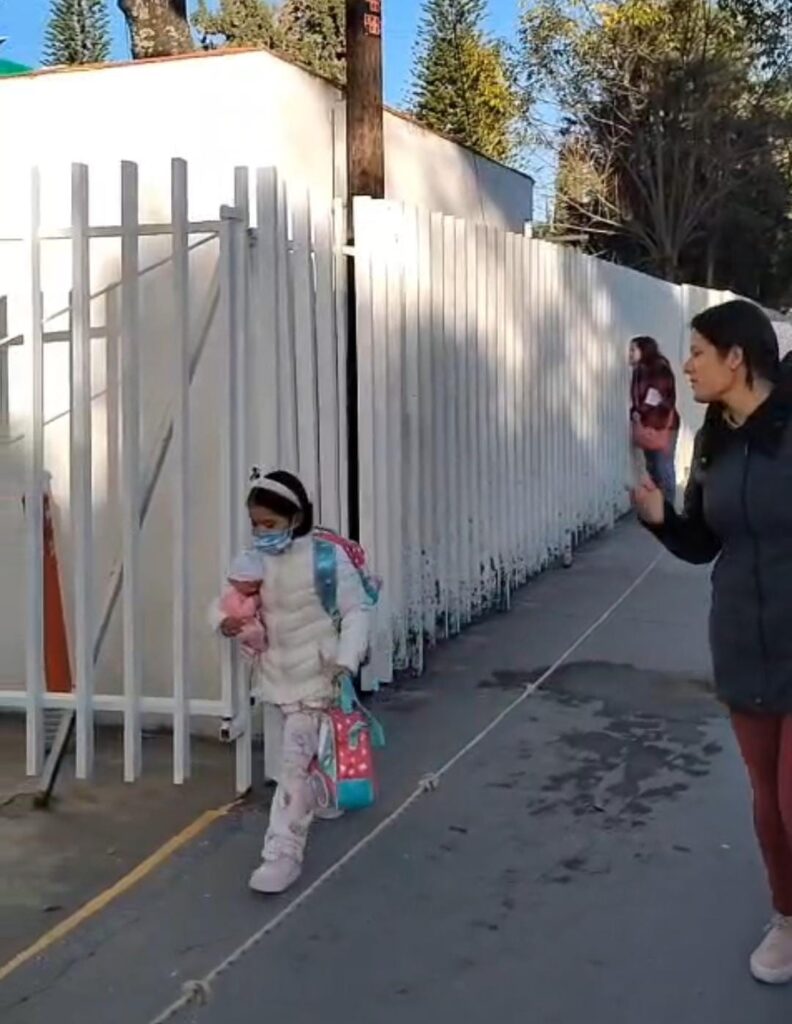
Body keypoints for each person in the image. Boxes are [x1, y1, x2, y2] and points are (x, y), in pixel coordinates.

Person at [633, 299, 792, 985]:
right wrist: (661, 519)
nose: (687, 365)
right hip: (741, 640)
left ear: (737, 357)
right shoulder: (716, 441)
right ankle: (788, 918)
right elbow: (703, 542)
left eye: (698, 351)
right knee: (765, 800)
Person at [215, 469, 373, 895]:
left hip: (318, 675)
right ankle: (323, 798)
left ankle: (282, 852)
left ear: (295, 517)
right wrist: (225, 621)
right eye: (255, 524)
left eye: (270, 524)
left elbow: (356, 611)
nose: (261, 532)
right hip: (274, 674)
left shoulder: (325, 557)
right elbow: (226, 601)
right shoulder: (254, 562)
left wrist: (345, 661)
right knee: (298, 758)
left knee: (291, 766)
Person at [629, 335, 680, 504]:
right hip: (648, 424)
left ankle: (669, 508)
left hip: (663, 424)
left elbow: (657, 396)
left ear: (644, 350)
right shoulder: (639, 369)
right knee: (653, 467)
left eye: (633, 349)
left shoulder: (658, 366)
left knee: (663, 466)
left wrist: (639, 411)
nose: (630, 354)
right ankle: (658, 506)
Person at [217, 551, 266, 661]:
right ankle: (255, 648)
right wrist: (254, 601)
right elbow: (242, 612)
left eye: (256, 585)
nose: (254, 589)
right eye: (249, 585)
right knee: (254, 633)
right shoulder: (232, 596)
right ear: (233, 582)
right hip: (246, 625)